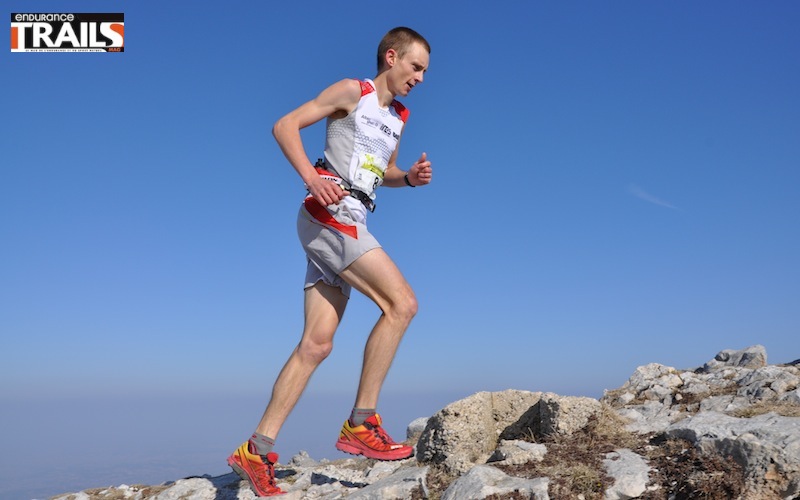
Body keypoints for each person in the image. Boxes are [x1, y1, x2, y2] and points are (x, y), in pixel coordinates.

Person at [227, 27, 432, 497]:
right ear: (391, 56)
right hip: (328, 215)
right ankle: (362, 422)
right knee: (402, 305)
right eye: (415, 67)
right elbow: (284, 125)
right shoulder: (352, 92)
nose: (420, 78)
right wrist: (310, 177)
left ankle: (255, 450)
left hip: (350, 216)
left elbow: (383, 176)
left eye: (424, 72)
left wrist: (411, 179)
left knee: (316, 345)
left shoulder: (398, 116)